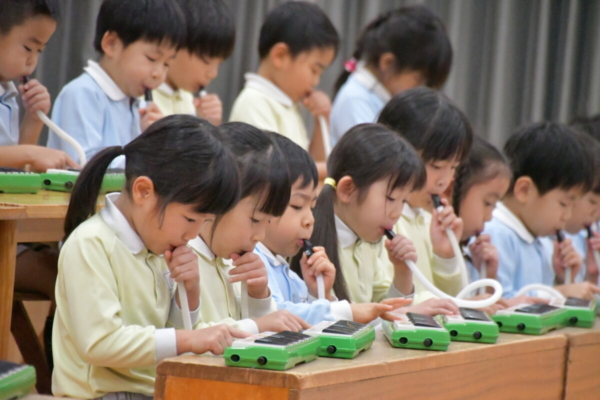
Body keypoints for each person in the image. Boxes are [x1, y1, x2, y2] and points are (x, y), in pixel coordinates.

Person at [52, 115, 248, 399]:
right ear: (143, 191)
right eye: (190, 218)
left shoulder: (157, 244)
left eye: (204, 222)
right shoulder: (91, 243)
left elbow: (166, 337)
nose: (193, 234)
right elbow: (100, 343)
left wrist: (189, 294)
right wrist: (189, 339)